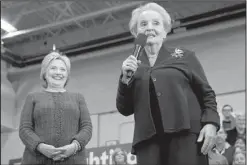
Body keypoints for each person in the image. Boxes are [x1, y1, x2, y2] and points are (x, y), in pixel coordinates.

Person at [116, 2, 220, 165]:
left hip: (187, 138)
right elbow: (124, 109)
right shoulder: (132, 65)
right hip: (148, 144)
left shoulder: (184, 56)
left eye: (156, 23)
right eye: (143, 24)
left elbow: (206, 93)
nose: (149, 27)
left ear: (165, 32)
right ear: (137, 34)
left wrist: (211, 123)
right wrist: (125, 80)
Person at [19, 49, 92, 164]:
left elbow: (87, 128)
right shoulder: (32, 97)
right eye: (53, 68)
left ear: (67, 75)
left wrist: (74, 146)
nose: (58, 72)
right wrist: (40, 147)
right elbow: (24, 129)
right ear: (44, 72)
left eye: (63, 69)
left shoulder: (78, 98)